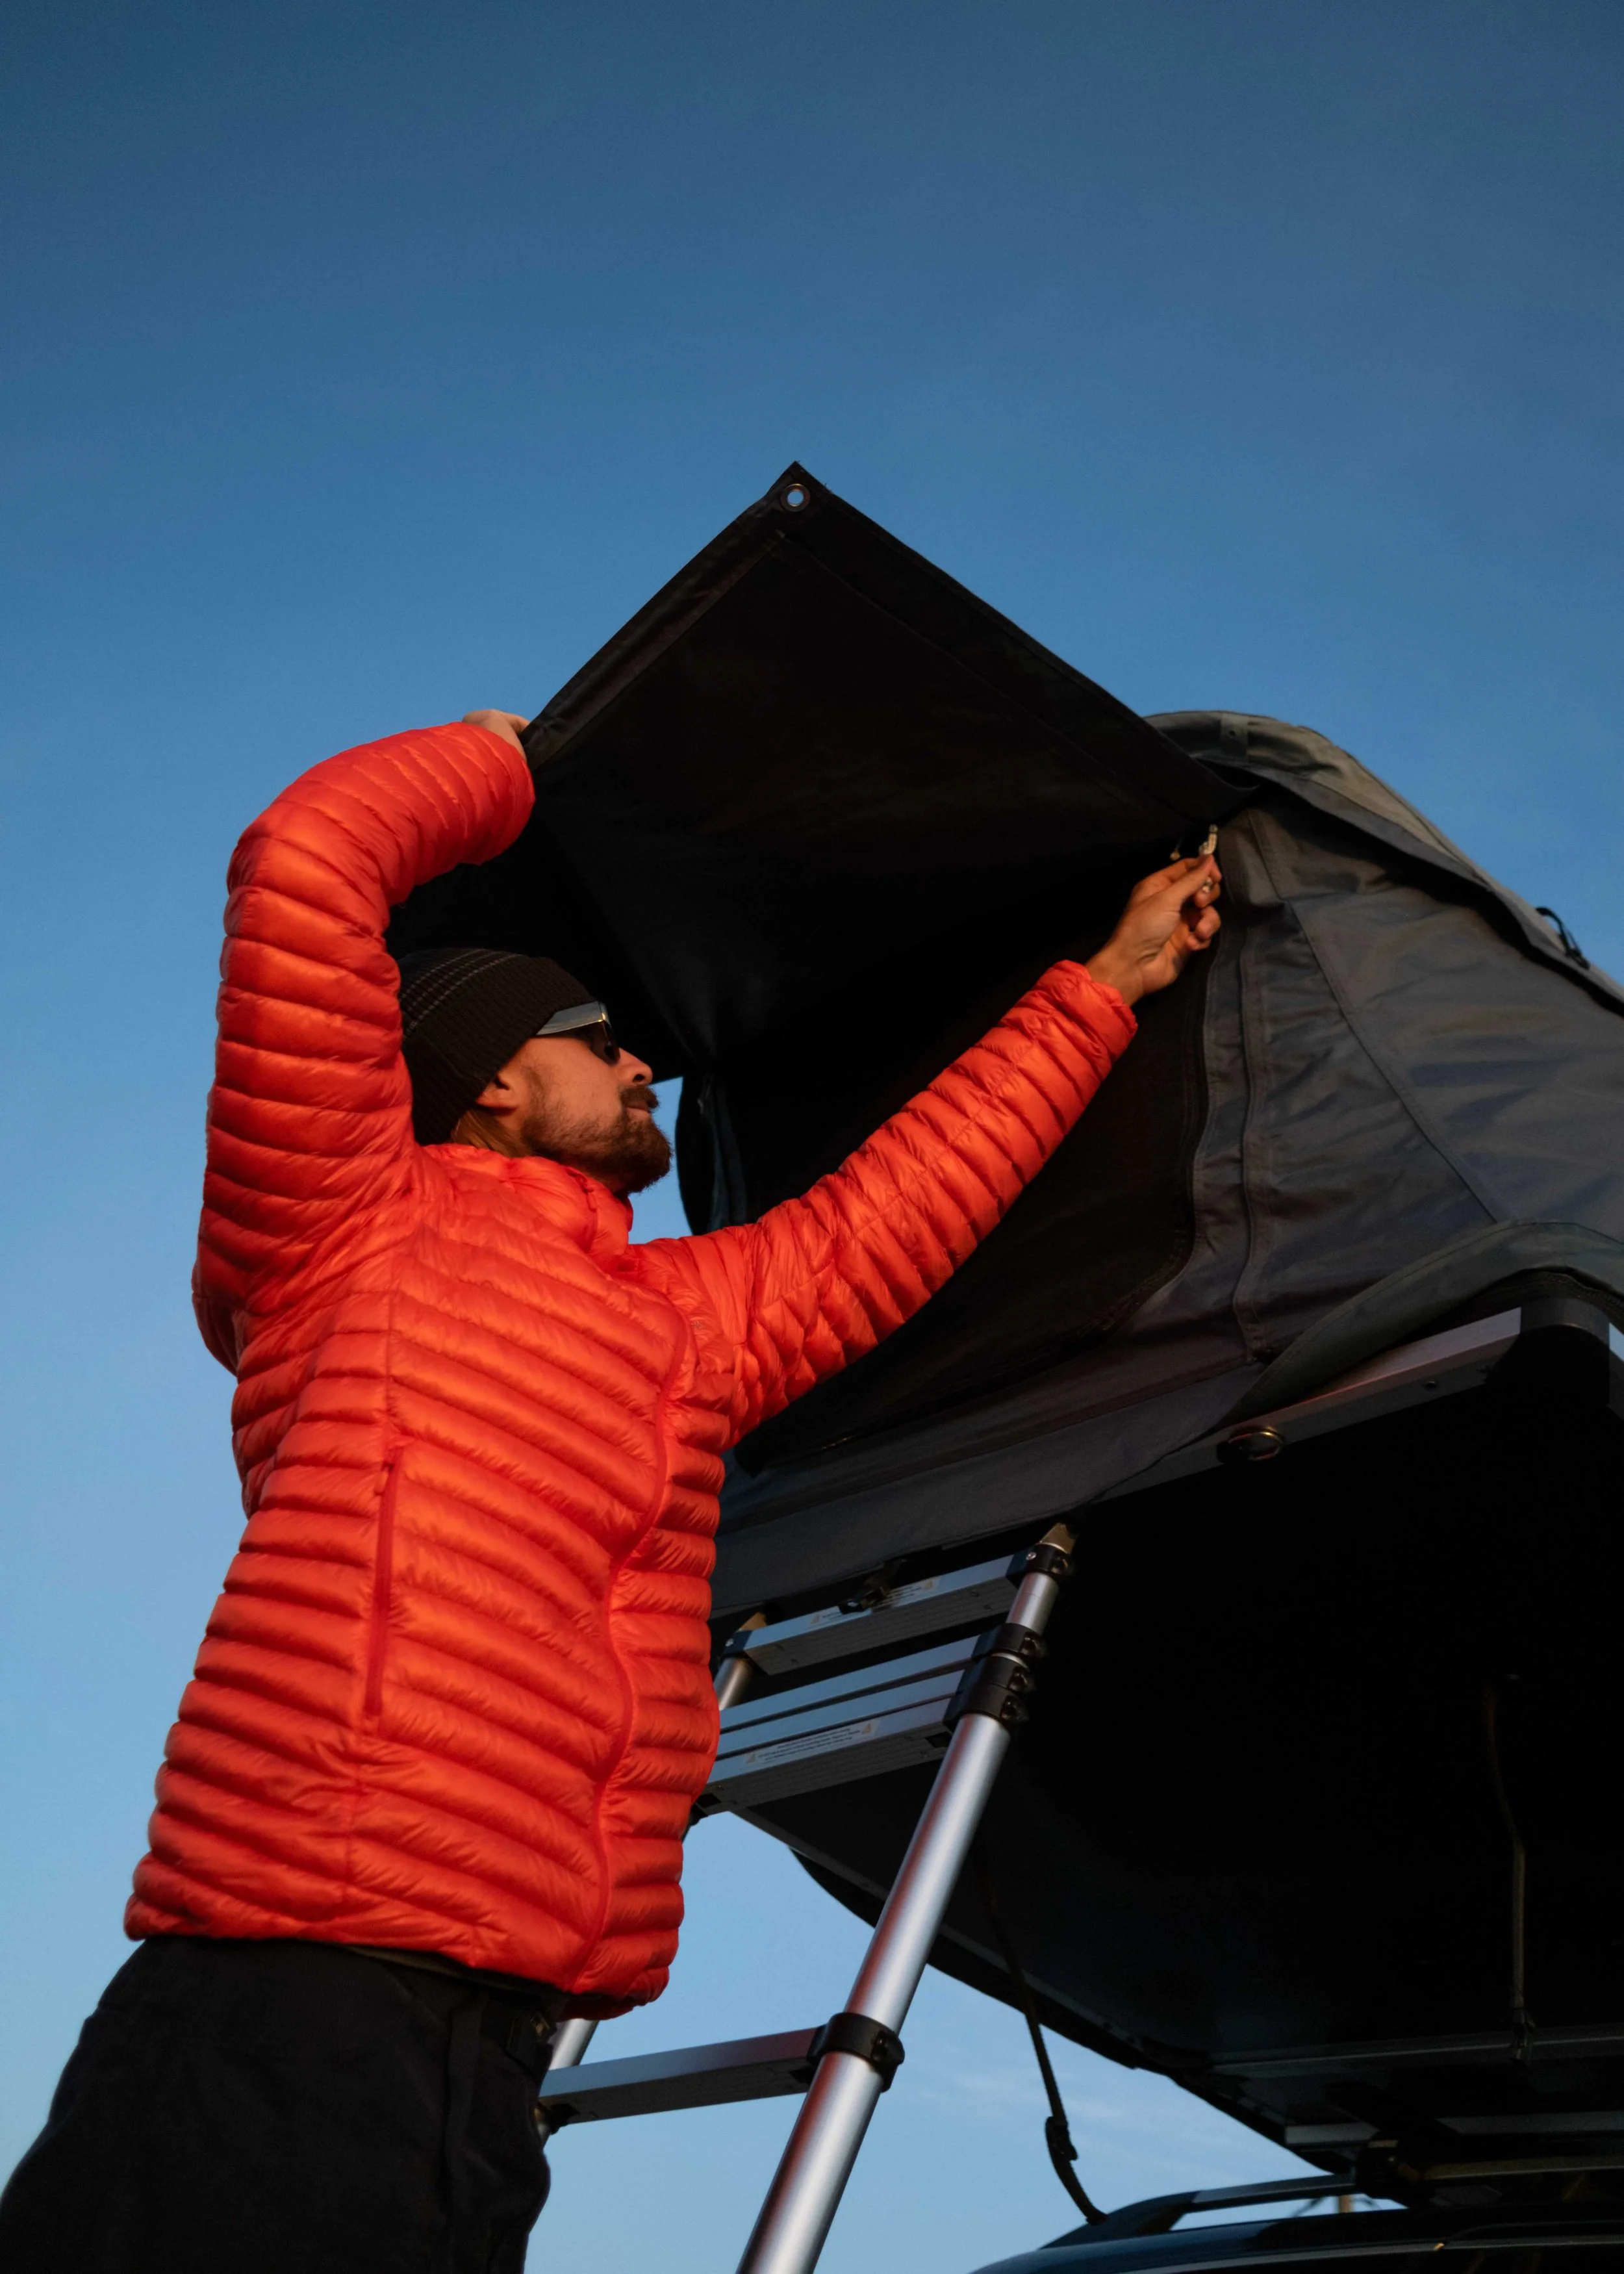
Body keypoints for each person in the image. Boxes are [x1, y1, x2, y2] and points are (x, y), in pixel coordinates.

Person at [0, 709, 1220, 2272]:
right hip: (288, 1987)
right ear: (489, 1081)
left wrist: (1102, 985)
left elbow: (892, 1211)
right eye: (596, 1034)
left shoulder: (679, 1318)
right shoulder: (334, 1219)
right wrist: (536, 754)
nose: (641, 1056)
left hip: (496, 2044)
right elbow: (307, 859)